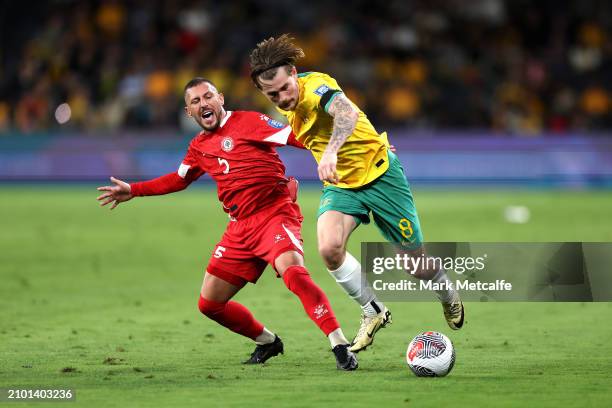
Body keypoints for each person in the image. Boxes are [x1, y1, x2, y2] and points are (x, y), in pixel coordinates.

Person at [96, 78, 358, 370]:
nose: (203, 104)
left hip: (274, 214)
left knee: (294, 274)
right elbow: (180, 179)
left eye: (207, 96)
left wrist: (355, 147)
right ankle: (267, 341)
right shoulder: (198, 147)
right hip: (239, 228)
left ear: (220, 98)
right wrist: (134, 190)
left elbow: (300, 138)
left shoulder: (250, 121)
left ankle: (339, 344)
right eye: (195, 101)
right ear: (188, 112)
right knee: (209, 304)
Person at [249, 35, 464, 353]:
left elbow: (345, 113)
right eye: (273, 94)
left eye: (285, 87)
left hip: (382, 176)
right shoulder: (289, 108)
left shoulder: (317, 87)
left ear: (294, 74)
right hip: (343, 186)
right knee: (329, 248)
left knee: (417, 267)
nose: (282, 97)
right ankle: (373, 311)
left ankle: (448, 294)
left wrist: (331, 152)